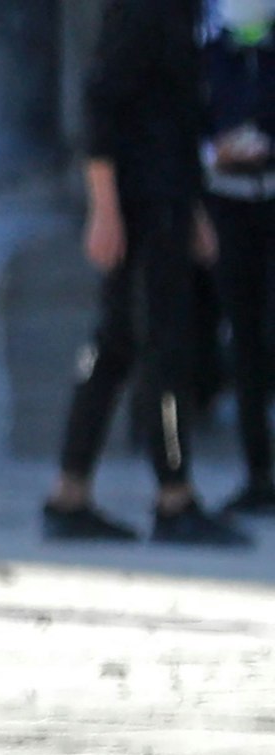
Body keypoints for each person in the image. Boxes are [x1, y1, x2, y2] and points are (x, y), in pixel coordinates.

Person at [42, 0, 251, 547]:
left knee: (117, 345)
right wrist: (104, 208)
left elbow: (174, 115)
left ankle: (70, 493)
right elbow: (102, 101)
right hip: (141, 206)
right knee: (163, 351)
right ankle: (173, 497)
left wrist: (195, 209)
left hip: (167, 201)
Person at [201, 0, 275, 516]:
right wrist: (214, 153)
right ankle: (259, 473)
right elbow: (182, 122)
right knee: (244, 340)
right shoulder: (206, 52)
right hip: (226, 206)